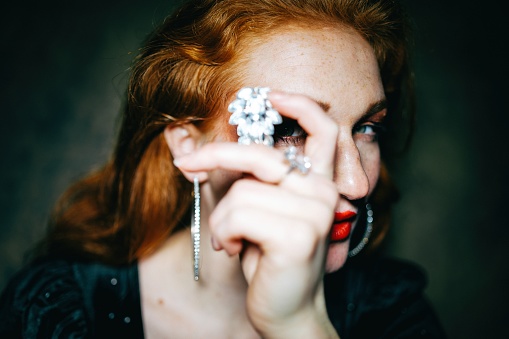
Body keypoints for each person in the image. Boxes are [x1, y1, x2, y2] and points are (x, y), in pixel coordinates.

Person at [0, 0, 447, 338]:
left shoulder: (394, 314)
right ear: (188, 146)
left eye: (367, 127)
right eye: (289, 129)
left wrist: (300, 327)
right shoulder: (59, 309)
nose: (356, 182)